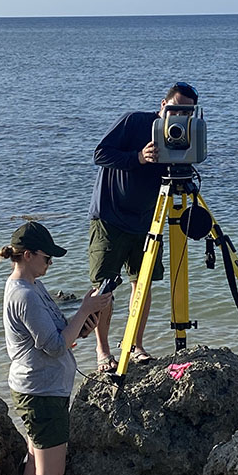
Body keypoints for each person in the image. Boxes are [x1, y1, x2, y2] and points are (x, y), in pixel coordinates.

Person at [0, 220, 111, 475]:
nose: (50, 263)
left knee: (36, 463)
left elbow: (61, 332)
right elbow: (56, 345)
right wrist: (85, 309)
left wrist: (85, 323)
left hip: (40, 389)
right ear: (28, 255)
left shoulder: (33, 286)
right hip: (41, 393)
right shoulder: (23, 295)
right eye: (47, 258)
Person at [88, 82, 199, 373]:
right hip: (110, 216)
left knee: (143, 282)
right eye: (174, 108)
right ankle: (103, 352)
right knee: (104, 286)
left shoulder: (187, 135)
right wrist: (137, 157)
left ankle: (135, 345)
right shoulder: (135, 122)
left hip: (148, 219)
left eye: (185, 112)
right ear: (162, 105)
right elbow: (100, 154)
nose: (178, 117)